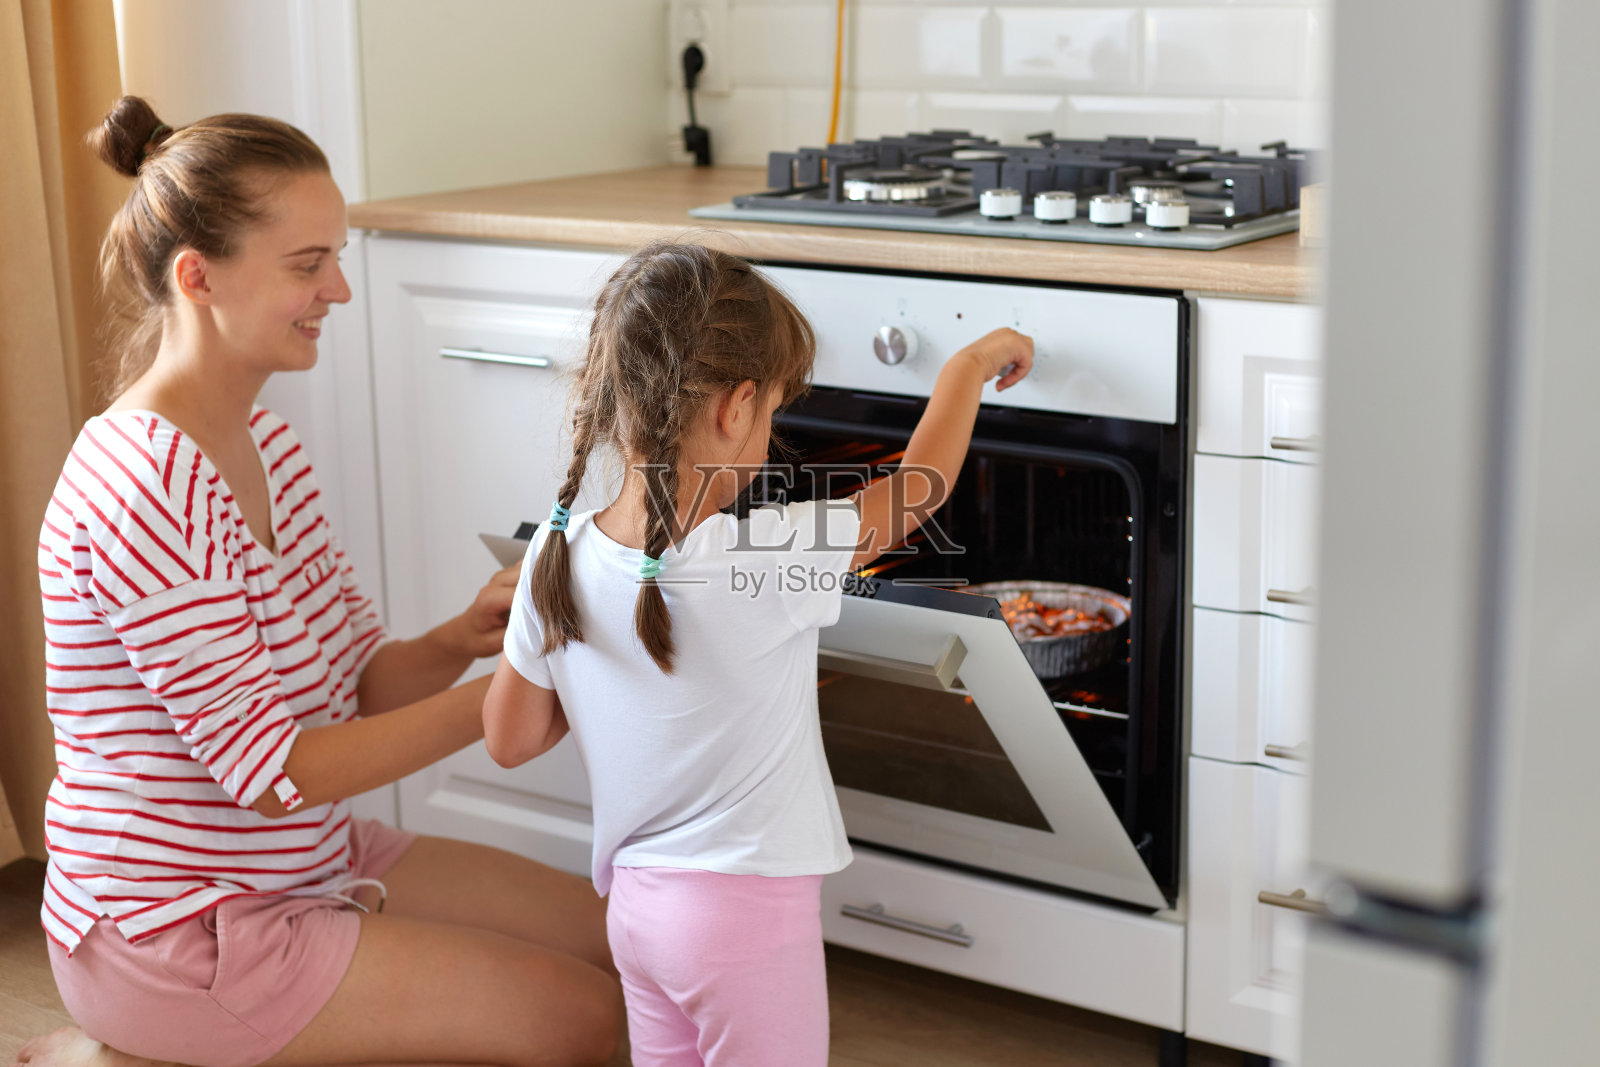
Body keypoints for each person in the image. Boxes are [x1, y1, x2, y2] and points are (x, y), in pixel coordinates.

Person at [17, 97, 622, 1067]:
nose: (338, 288)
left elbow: (353, 684)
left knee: (626, 941)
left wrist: (466, 635)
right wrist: (507, 696)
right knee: (586, 1021)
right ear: (197, 275)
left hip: (307, 860)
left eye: (334, 257)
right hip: (182, 930)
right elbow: (279, 771)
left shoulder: (263, 445)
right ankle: (130, 1045)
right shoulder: (143, 486)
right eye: (308, 263)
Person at [482, 241, 1034, 1066]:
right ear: (736, 408)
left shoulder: (554, 555)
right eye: (774, 408)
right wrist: (969, 361)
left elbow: (511, 738)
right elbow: (922, 485)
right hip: (741, 922)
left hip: (635, 910)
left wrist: (603, 676)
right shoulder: (767, 557)